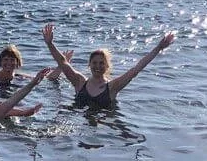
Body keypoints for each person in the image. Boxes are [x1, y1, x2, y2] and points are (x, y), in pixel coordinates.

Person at [42, 24, 176, 109]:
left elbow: (136, 69)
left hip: (105, 126)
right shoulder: (79, 82)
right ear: (89, 65)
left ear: (107, 66)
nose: (98, 66)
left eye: (101, 63)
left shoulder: (112, 87)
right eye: (94, 63)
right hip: (80, 124)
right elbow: (63, 63)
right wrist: (50, 44)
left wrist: (158, 48)